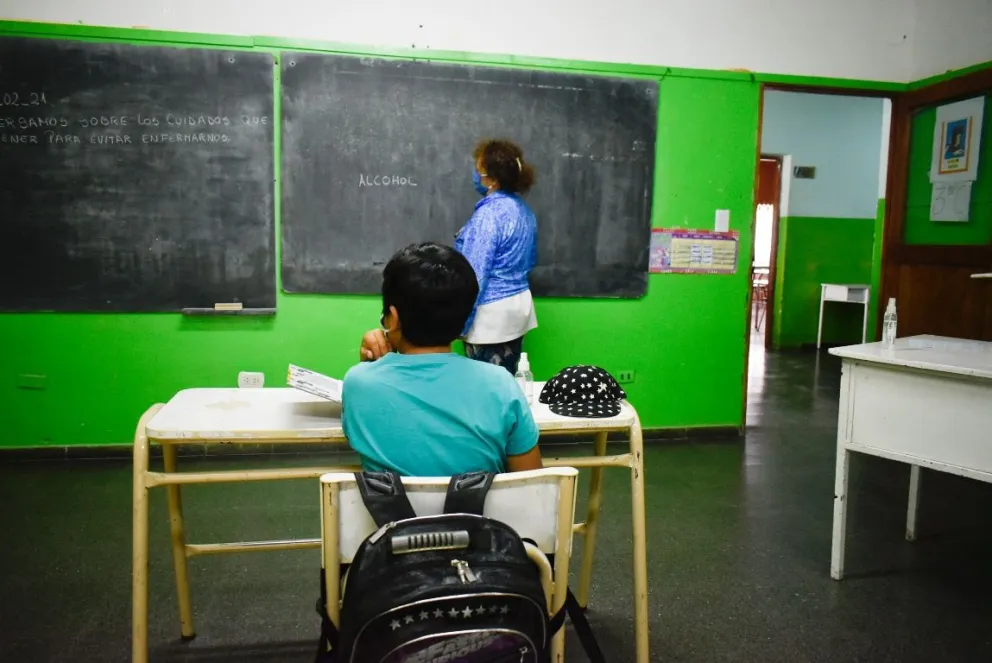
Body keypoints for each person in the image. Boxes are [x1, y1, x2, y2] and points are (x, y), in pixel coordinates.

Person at [342, 242, 543, 477]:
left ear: (393, 318)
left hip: (392, 514)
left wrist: (370, 365)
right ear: (464, 320)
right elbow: (530, 484)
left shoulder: (358, 382)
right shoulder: (501, 384)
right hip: (478, 514)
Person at [360, 139, 538, 375]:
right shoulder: (523, 211)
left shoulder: (489, 215)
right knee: (505, 378)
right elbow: (530, 261)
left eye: (479, 170)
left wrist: (456, 325)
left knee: (482, 384)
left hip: (490, 316)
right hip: (518, 308)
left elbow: (475, 273)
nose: (476, 176)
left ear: (492, 179)